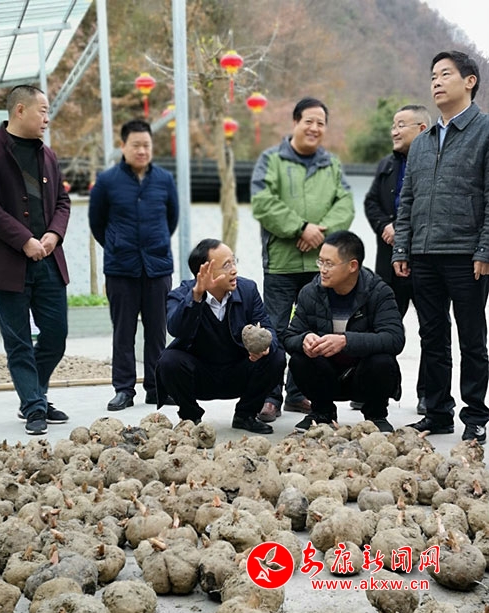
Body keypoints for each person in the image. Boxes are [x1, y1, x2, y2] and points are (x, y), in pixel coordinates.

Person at [392, 51, 489, 444]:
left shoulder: (484, 131)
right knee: (432, 337)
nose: (436, 82)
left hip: (467, 255)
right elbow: (407, 200)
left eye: (445, 74)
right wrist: (402, 249)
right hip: (424, 255)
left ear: (469, 81)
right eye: (433, 75)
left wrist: (485, 249)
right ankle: (437, 413)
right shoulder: (422, 141)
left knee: (472, 339)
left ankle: (476, 415)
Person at [251, 97, 354, 422]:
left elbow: (345, 204)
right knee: (275, 330)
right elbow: (263, 202)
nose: (314, 128)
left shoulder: (331, 165)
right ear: (295, 122)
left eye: (321, 123)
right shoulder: (272, 160)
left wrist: (319, 234)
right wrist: (300, 227)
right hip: (281, 265)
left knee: (311, 331)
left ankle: (298, 394)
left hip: (319, 268)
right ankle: (270, 396)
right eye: (309, 121)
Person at [0, 85, 70, 435]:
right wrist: (23, 240)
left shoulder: (47, 155)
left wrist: (54, 234)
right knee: (18, 341)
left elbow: (62, 202)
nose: (47, 118)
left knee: (56, 334)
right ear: (20, 110)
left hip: (49, 261)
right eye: (43, 110)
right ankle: (35, 406)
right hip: (7, 265)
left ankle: (33, 394)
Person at [89, 119, 178, 411]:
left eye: (147, 145)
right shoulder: (107, 181)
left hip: (157, 267)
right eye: (136, 145)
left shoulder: (164, 179)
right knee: (123, 332)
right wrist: (117, 245)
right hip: (121, 269)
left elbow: (172, 218)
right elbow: (97, 223)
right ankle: (124, 389)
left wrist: (156, 243)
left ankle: (157, 387)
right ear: (123, 146)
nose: (142, 151)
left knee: (157, 331)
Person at [155, 238, 286, 434]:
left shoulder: (247, 290)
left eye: (234, 262)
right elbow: (175, 328)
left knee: (276, 355)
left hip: (239, 371)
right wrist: (196, 297)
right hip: (200, 374)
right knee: (169, 361)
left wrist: (265, 346)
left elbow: (268, 328)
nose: (234, 270)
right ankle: (190, 417)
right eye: (226, 265)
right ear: (204, 272)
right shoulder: (181, 294)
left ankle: (246, 415)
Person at [283, 230, 404, 433]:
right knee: (299, 359)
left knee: (382, 360)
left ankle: (376, 415)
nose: (322, 270)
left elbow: (394, 339)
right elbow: (289, 336)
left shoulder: (378, 292)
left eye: (329, 264)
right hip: (327, 375)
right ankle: (322, 412)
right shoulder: (310, 292)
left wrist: (345, 341)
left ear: (352, 266)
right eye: (320, 262)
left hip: (362, 374)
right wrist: (304, 339)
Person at [364, 104, 432, 416]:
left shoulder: (435, 162)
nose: (394, 130)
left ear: (422, 129)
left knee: (432, 330)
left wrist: (405, 231)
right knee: (381, 326)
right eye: (393, 124)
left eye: (401, 125)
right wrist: (385, 226)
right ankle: (378, 388)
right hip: (388, 261)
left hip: (424, 261)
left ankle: (428, 394)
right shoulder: (387, 165)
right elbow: (371, 202)